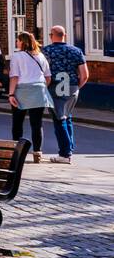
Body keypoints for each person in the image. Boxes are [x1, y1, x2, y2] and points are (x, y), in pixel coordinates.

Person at [41, 25, 88, 164]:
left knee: (59, 119)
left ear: (51, 35)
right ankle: (69, 148)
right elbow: (85, 75)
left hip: (54, 87)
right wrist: (77, 87)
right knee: (67, 117)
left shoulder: (46, 51)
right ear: (65, 35)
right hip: (72, 87)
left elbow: (43, 73)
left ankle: (65, 153)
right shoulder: (76, 51)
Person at [8, 31, 51, 164]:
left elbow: (14, 76)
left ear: (22, 42)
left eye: (18, 40)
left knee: (17, 122)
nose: (16, 42)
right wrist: (41, 87)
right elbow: (48, 77)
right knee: (37, 124)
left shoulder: (17, 56)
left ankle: (17, 151)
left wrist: (11, 94)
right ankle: (37, 153)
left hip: (22, 90)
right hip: (39, 90)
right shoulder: (41, 56)